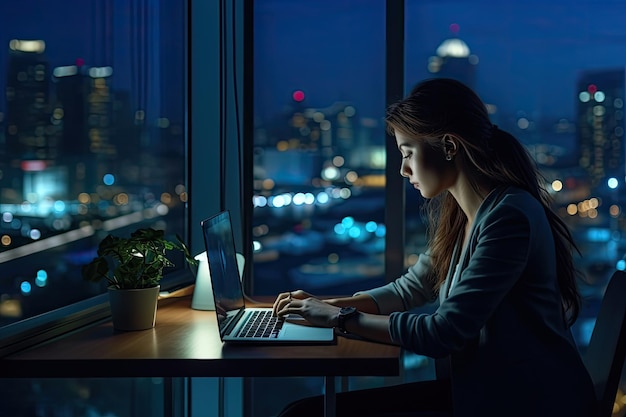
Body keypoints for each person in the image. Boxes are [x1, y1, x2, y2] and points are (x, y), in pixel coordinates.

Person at [272, 78, 597, 417]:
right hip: (485, 392)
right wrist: (325, 306)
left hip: (529, 402)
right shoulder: (464, 214)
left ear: (449, 146)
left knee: (303, 415)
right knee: (302, 411)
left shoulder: (509, 218)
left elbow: (444, 332)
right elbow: (408, 290)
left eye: (408, 152)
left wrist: (340, 319)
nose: (403, 169)